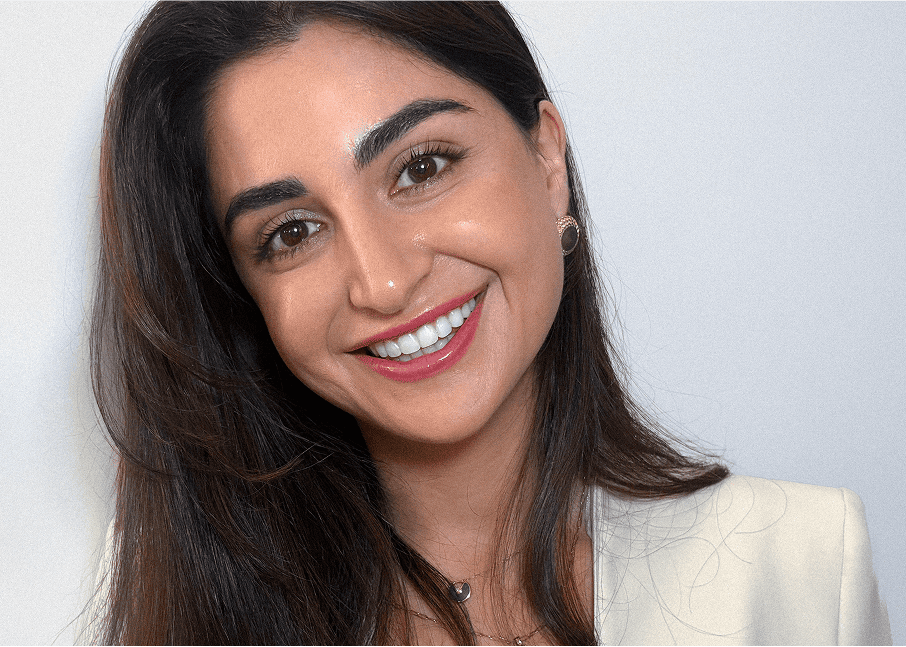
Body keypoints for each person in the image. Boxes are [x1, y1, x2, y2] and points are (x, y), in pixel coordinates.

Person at [88, 0, 890, 644]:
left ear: (547, 161)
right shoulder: (190, 616)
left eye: (421, 167)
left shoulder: (802, 567)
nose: (384, 281)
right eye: (292, 232)